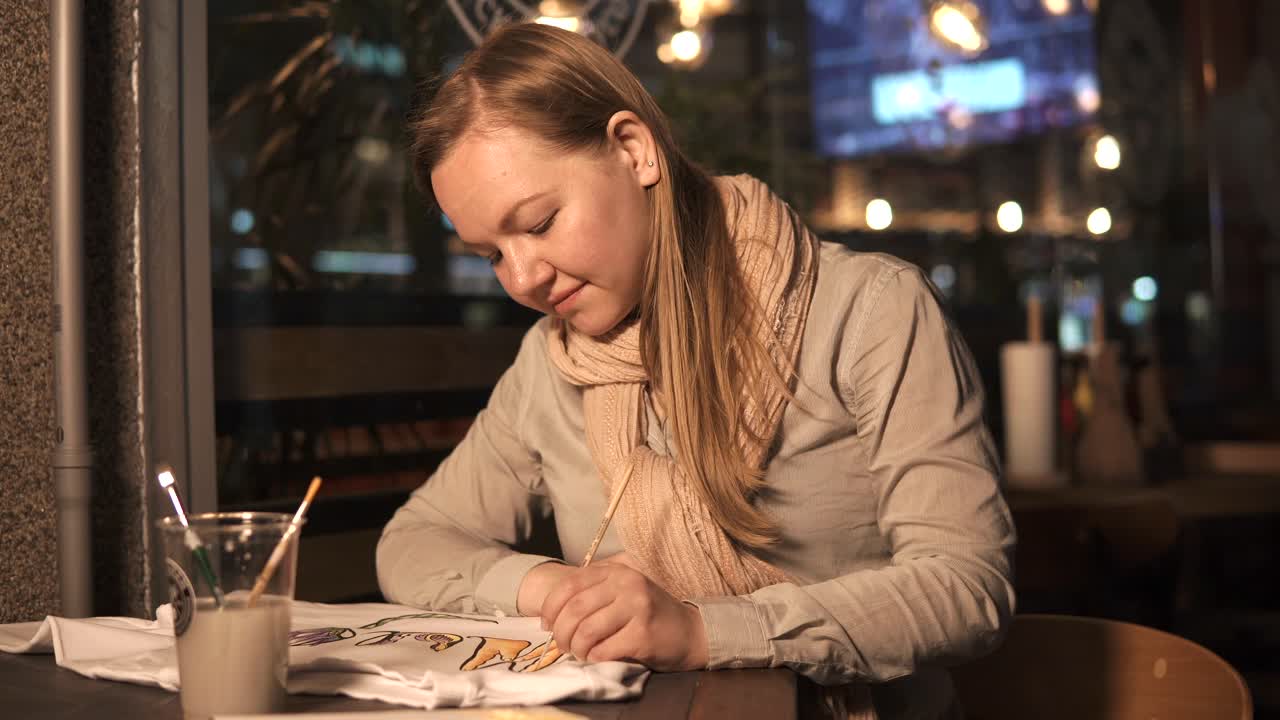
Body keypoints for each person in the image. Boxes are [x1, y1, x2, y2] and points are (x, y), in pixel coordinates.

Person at [377, 22, 1014, 719]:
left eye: (538, 223)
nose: (523, 278)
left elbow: (966, 588)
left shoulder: (869, 310)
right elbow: (411, 545)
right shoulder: (549, 361)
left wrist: (701, 630)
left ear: (634, 150)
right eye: (492, 255)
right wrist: (554, 591)